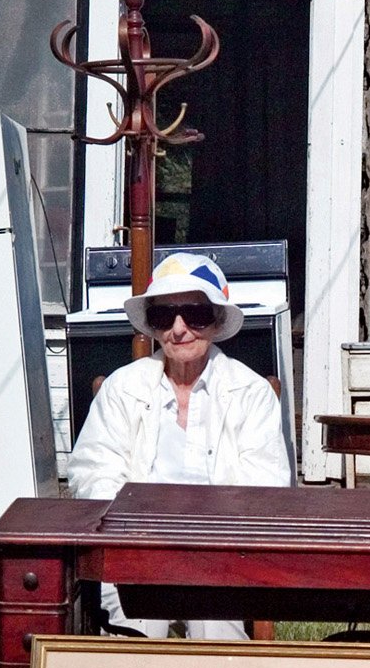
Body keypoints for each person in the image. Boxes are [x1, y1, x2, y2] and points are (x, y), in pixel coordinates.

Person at [65, 251, 291, 638]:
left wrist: (204, 546)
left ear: (217, 320)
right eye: (163, 316)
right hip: (135, 555)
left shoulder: (251, 392)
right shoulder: (123, 387)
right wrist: (136, 539)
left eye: (195, 314)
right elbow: (92, 473)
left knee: (221, 650)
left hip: (223, 558)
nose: (179, 328)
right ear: (152, 327)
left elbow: (265, 491)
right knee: (129, 643)